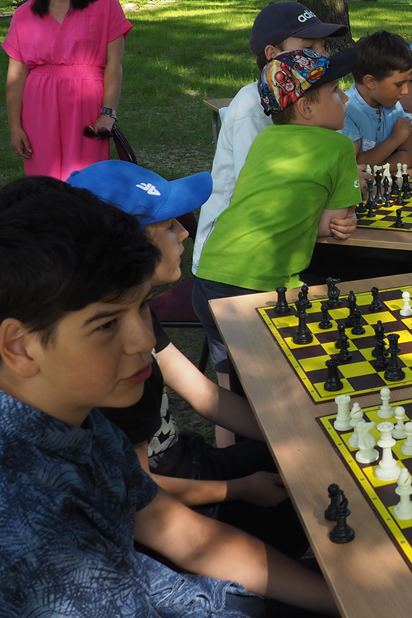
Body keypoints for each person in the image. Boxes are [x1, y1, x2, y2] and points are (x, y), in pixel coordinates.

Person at [0, 177, 341, 618]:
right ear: (20, 346)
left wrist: (346, 601)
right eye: (107, 324)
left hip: (176, 599)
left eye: (141, 307)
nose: (143, 340)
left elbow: (182, 533)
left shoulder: (72, 413)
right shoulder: (28, 530)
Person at [69, 160, 307, 557]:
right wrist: (242, 489)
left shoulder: (137, 312)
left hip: (192, 465)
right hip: (169, 514)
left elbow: (204, 395)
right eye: (168, 226)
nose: (184, 232)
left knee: (307, 460)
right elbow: (140, 491)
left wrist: (292, 434)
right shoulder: (110, 359)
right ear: (126, 248)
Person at [194, 48, 363, 382]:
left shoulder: (264, 138)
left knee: (232, 385)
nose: (345, 97)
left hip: (208, 277)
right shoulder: (339, 146)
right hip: (258, 290)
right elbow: (329, 225)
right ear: (306, 107)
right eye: (335, 90)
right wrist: (345, 221)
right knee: (284, 387)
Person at [192, 2, 348, 284]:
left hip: (284, 242)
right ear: (273, 54)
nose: (324, 55)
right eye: (310, 47)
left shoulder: (312, 95)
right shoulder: (252, 108)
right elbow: (263, 191)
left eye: (323, 45)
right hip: (238, 259)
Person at [3, 0, 132, 180]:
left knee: (87, 181)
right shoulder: (24, 14)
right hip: (38, 107)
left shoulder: (105, 4)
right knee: (45, 182)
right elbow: (16, 75)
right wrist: (15, 127)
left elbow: (114, 65)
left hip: (86, 105)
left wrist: (108, 113)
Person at [341, 30, 412, 169]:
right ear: (370, 82)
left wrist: (378, 173)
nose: (405, 91)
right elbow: (353, 165)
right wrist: (395, 139)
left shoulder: (394, 107)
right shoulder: (346, 111)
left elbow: (410, 156)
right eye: (399, 84)